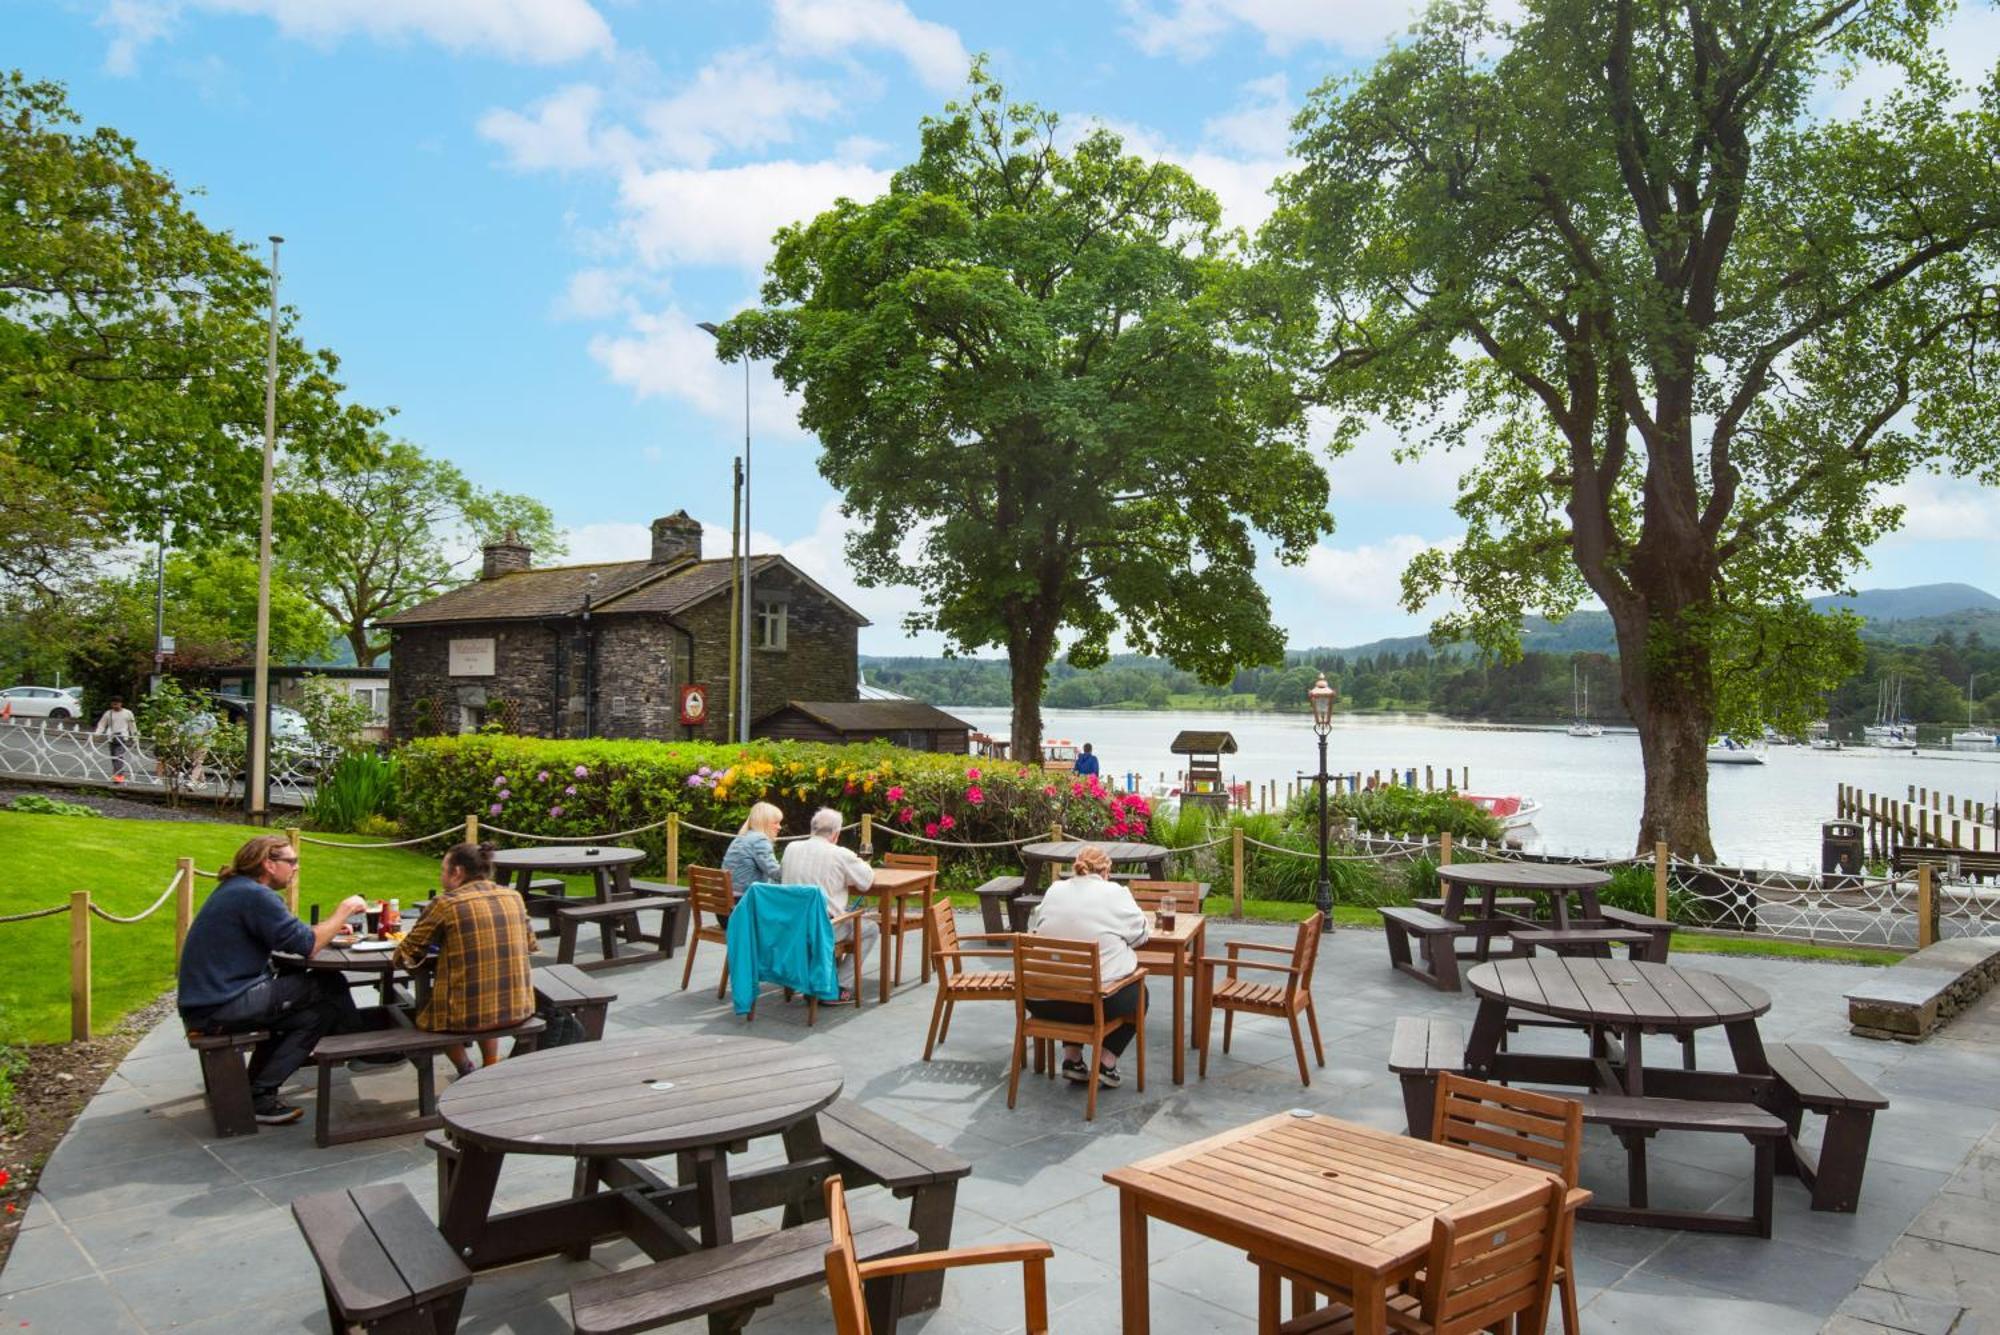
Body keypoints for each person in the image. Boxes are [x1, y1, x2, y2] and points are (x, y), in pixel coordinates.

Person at [177, 835, 369, 1125]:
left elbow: (290, 936)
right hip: (221, 1005)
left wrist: (325, 929)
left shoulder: (238, 889)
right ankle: (363, 1050)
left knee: (317, 1012)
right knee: (328, 984)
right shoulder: (255, 895)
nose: (296, 867)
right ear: (268, 863)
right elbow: (307, 945)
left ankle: (259, 1094)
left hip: (208, 1003)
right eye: (291, 861)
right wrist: (344, 909)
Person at [394, 841, 536, 1076]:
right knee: (488, 985)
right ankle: (490, 1064)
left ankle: (465, 1070)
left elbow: (404, 955)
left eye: (442, 870)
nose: (441, 877)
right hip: (518, 1007)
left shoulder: (446, 903)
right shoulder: (514, 897)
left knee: (428, 1011)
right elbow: (530, 944)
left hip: (466, 1017)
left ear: (457, 872)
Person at [1026, 845, 1149, 1087]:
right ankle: (1106, 1062)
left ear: (1076, 867)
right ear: (1107, 871)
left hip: (1040, 1000)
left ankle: (1072, 1059)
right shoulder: (1115, 893)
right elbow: (1141, 935)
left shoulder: (1055, 889)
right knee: (1139, 995)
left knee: (1070, 979)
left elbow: (1036, 926)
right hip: (1089, 1007)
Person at [780, 807, 879, 1005]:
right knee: (870, 929)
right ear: (836, 834)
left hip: (790, 927)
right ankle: (837, 986)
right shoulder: (840, 854)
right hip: (823, 930)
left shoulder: (791, 848)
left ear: (812, 829)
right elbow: (866, 881)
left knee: (837, 914)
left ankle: (821, 979)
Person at [722, 801, 783, 896]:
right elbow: (776, 874)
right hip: (743, 899)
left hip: (727, 895)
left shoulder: (741, 837)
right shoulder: (760, 840)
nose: (779, 827)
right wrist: (791, 863)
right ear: (764, 823)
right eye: (776, 823)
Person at [93, 695, 137, 783]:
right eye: (113, 704)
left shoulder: (128, 713)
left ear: (121, 704)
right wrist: (97, 734)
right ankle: (117, 775)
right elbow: (102, 724)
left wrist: (135, 737)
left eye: (117, 704)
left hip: (123, 737)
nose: (115, 706)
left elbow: (132, 726)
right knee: (114, 757)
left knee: (118, 756)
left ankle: (119, 777)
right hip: (111, 737)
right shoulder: (108, 713)